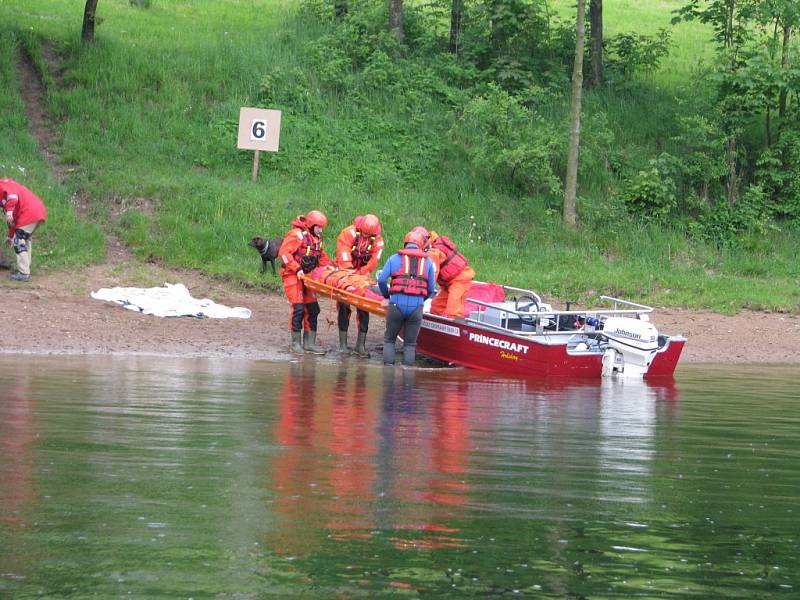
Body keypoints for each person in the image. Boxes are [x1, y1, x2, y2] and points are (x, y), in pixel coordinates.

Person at [377, 230, 436, 367]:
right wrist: (421, 300)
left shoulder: (394, 258)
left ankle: (388, 372)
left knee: (389, 340)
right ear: (421, 245)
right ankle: (408, 377)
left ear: (405, 243)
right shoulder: (428, 262)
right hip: (416, 308)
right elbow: (431, 289)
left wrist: (387, 296)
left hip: (396, 305)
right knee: (410, 344)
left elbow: (381, 280)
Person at [278, 210, 331, 355]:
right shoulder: (296, 235)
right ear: (312, 224)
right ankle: (295, 344)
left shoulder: (316, 240)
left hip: (307, 278)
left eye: (321, 228)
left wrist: (331, 270)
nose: (320, 230)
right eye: (319, 227)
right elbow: (283, 253)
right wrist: (297, 268)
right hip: (292, 275)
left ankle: (309, 343)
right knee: (298, 309)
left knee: (313, 309)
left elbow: (322, 258)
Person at [333, 214, 384, 357]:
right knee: (343, 306)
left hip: (362, 274)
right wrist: (350, 275)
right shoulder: (347, 233)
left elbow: (373, 261)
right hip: (344, 271)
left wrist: (361, 273)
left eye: (369, 235)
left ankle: (360, 346)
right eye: (364, 234)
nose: (366, 237)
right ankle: (343, 345)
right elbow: (343, 256)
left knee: (363, 307)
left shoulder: (378, 241)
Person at [0, 178, 47, 282]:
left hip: (29, 211)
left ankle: (24, 273)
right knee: (24, 239)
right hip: (35, 211)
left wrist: (9, 211)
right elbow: (12, 221)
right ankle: (26, 268)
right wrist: (10, 235)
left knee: (19, 240)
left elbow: (13, 197)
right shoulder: (5, 198)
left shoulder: (3, 184)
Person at [423, 228, 475, 320]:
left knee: (453, 312)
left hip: (460, 280)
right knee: (436, 306)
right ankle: (436, 328)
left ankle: (453, 330)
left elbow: (432, 277)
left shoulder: (433, 253)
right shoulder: (436, 244)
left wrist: (421, 292)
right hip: (448, 283)